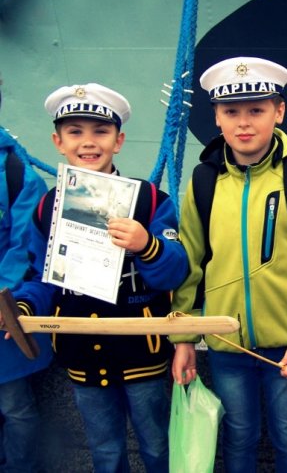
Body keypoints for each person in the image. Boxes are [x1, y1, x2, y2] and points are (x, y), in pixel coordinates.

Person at [169, 56, 287, 473]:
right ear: (216, 117)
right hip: (225, 346)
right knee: (238, 437)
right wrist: (184, 338)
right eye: (231, 112)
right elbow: (191, 265)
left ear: (278, 112)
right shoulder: (203, 181)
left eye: (257, 110)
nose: (244, 123)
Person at [10, 83, 188, 473]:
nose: (88, 142)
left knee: (157, 445)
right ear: (58, 142)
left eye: (101, 131)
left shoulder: (149, 199)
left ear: (118, 141)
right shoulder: (47, 207)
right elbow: (42, 276)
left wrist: (147, 245)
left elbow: (177, 270)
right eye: (75, 132)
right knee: (104, 450)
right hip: (81, 352)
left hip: (141, 351)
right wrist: (23, 306)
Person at [0, 83, 51, 472]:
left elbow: (25, 248)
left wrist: (5, 297)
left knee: (14, 407)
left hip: (3, 316)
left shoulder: (17, 173)